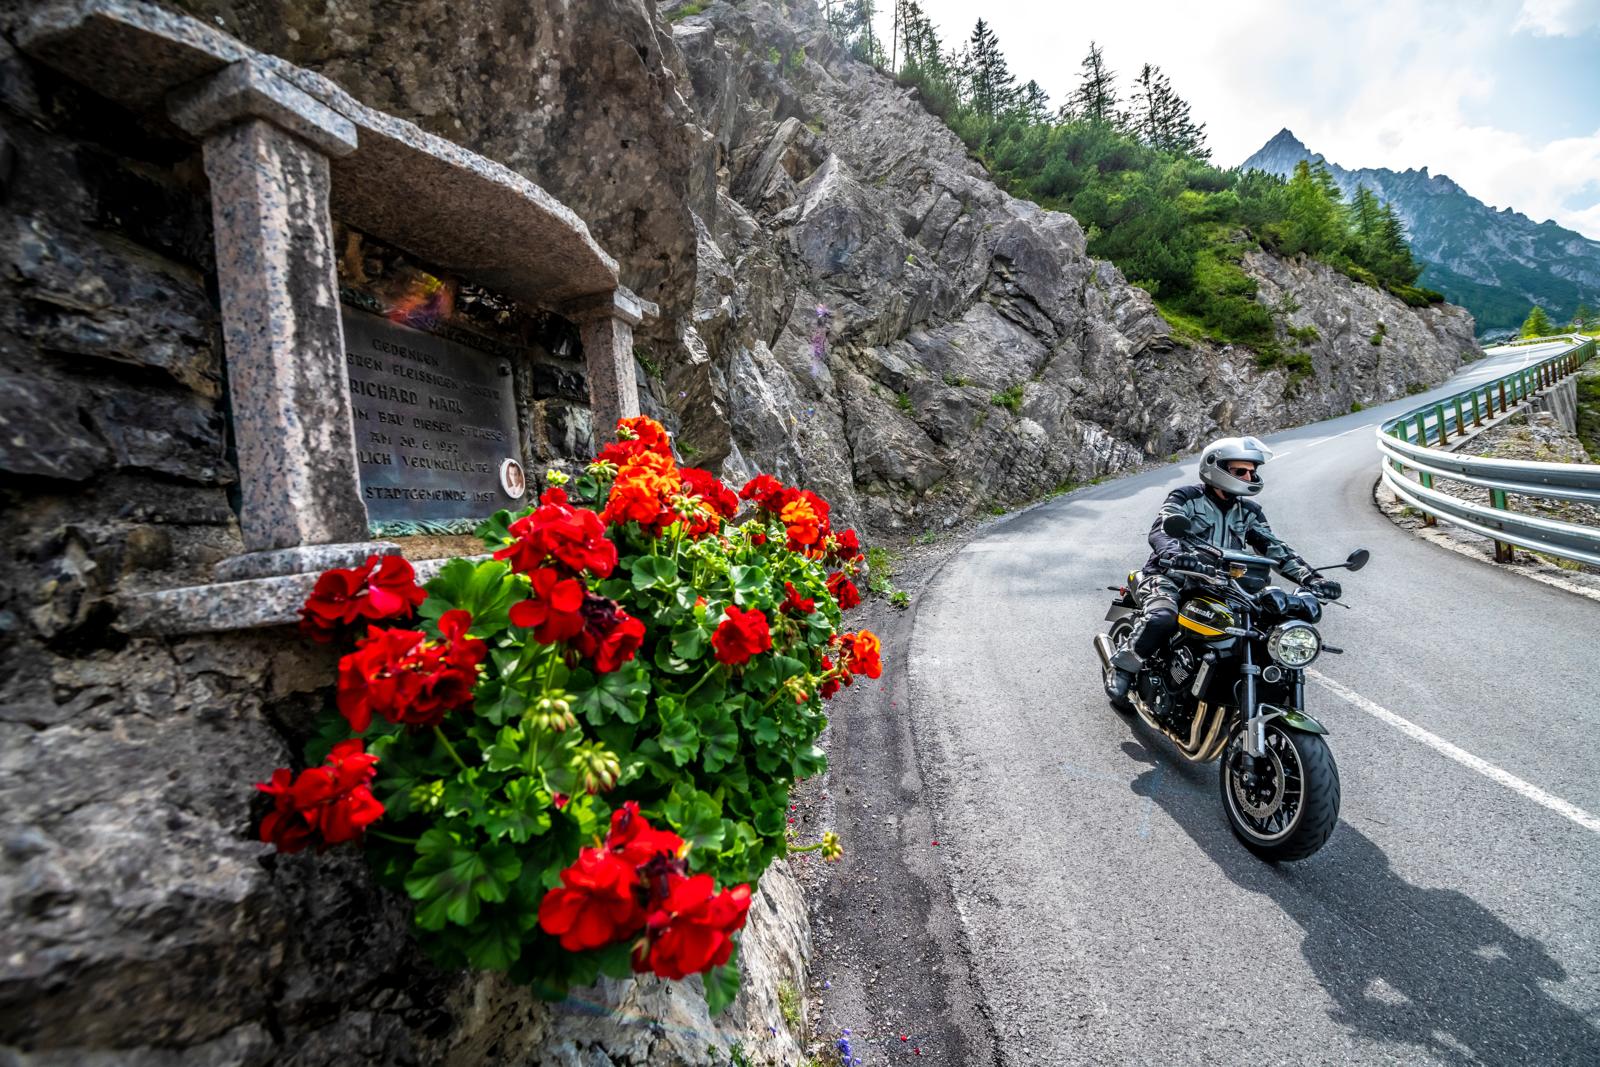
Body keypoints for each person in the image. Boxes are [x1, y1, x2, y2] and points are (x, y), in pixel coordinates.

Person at [1107, 436, 1341, 700]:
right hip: (1171, 578)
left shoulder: (1250, 512)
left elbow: (1276, 549)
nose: (1249, 476)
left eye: (1252, 471)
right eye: (1240, 471)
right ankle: (1122, 667)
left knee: (1263, 629)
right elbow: (1163, 529)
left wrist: (1313, 579)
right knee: (1163, 617)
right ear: (1215, 467)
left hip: (1224, 586)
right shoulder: (1187, 498)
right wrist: (1176, 555)